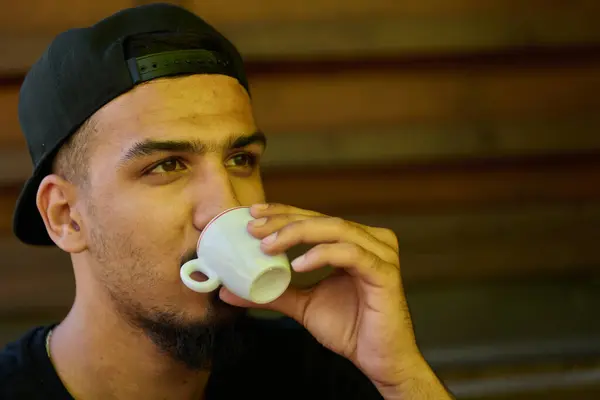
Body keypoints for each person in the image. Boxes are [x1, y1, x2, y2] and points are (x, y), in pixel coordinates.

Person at [0, 3, 453, 399]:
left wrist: (401, 378)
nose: (226, 206)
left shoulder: (322, 369)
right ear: (66, 217)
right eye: (166, 165)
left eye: (240, 159)